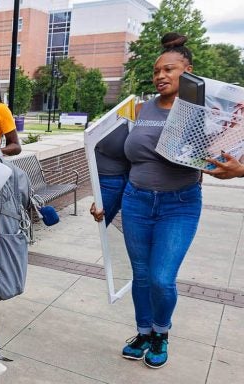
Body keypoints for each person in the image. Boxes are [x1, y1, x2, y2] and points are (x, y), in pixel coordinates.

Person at [119, 32, 203, 369]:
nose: (160, 76)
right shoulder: (141, 107)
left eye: (169, 69)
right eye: (156, 71)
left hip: (179, 205)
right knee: (140, 276)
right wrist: (105, 200)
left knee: (161, 278)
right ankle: (143, 331)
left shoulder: (200, 110)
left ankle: (161, 333)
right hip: (136, 201)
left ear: (188, 70)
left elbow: (220, 154)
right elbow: (119, 158)